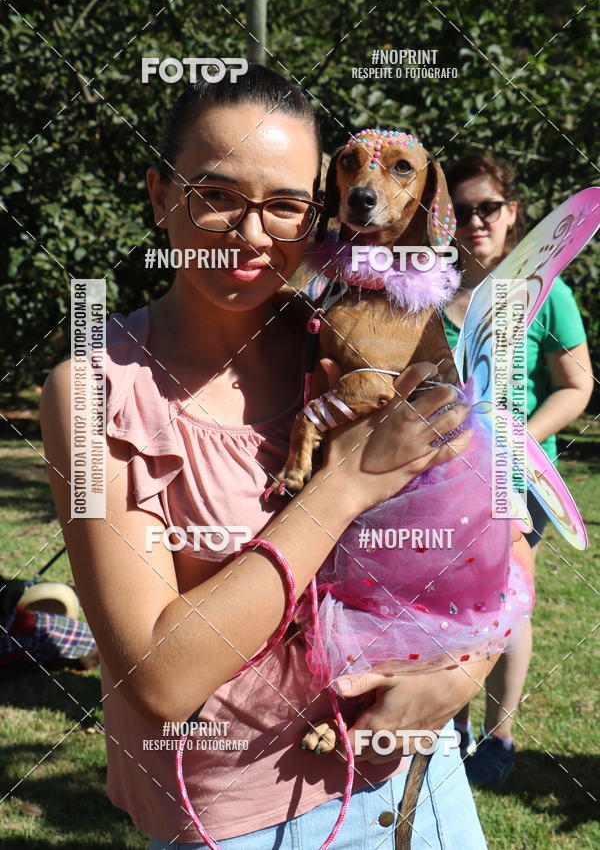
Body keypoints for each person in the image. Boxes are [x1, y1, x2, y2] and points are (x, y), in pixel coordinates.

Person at [40, 66, 521, 849]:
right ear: (161, 195)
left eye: (286, 205)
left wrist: (459, 676)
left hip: (415, 786)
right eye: (217, 194)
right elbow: (159, 678)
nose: (253, 232)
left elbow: (492, 526)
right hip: (243, 823)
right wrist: (341, 489)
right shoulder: (90, 392)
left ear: (318, 213)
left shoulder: (353, 341)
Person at [443, 153, 593, 788]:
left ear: (514, 215)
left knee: (509, 608)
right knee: (443, 605)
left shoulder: (546, 293)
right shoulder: (425, 288)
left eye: (489, 208)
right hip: (436, 483)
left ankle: (499, 738)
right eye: (462, 209)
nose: (476, 220)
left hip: (513, 479)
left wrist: (513, 440)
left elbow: (577, 386)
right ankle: (448, 724)